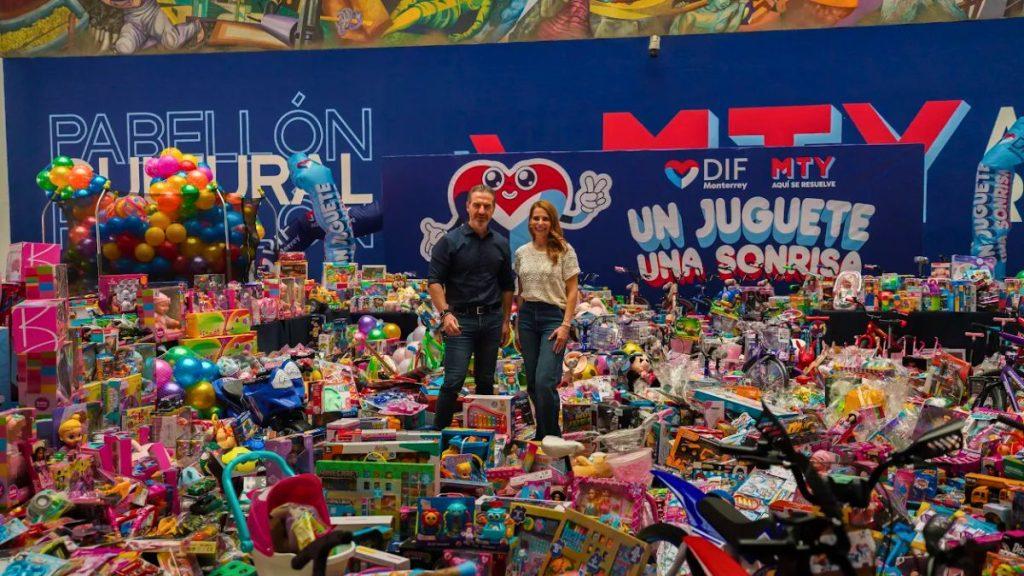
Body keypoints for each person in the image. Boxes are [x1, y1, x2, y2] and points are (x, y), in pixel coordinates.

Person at [428, 185, 515, 430]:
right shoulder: (449, 241)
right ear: (467, 206)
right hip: (459, 322)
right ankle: (438, 435)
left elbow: (508, 286)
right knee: (453, 381)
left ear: (494, 209)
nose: (481, 210)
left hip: (491, 321)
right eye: (476, 204)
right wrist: (445, 314)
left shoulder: (501, 243)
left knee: (486, 381)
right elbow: (434, 281)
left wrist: (506, 321)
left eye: (487, 206)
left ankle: (485, 438)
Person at [515, 200, 579, 439]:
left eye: (545, 218)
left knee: (544, 381)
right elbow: (521, 291)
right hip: (528, 318)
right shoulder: (521, 253)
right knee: (532, 382)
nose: (540, 223)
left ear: (552, 222)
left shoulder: (564, 250)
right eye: (536, 218)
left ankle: (552, 437)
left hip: (554, 318)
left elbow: (572, 291)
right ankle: (542, 435)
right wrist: (518, 326)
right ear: (530, 222)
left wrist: (566, 325)